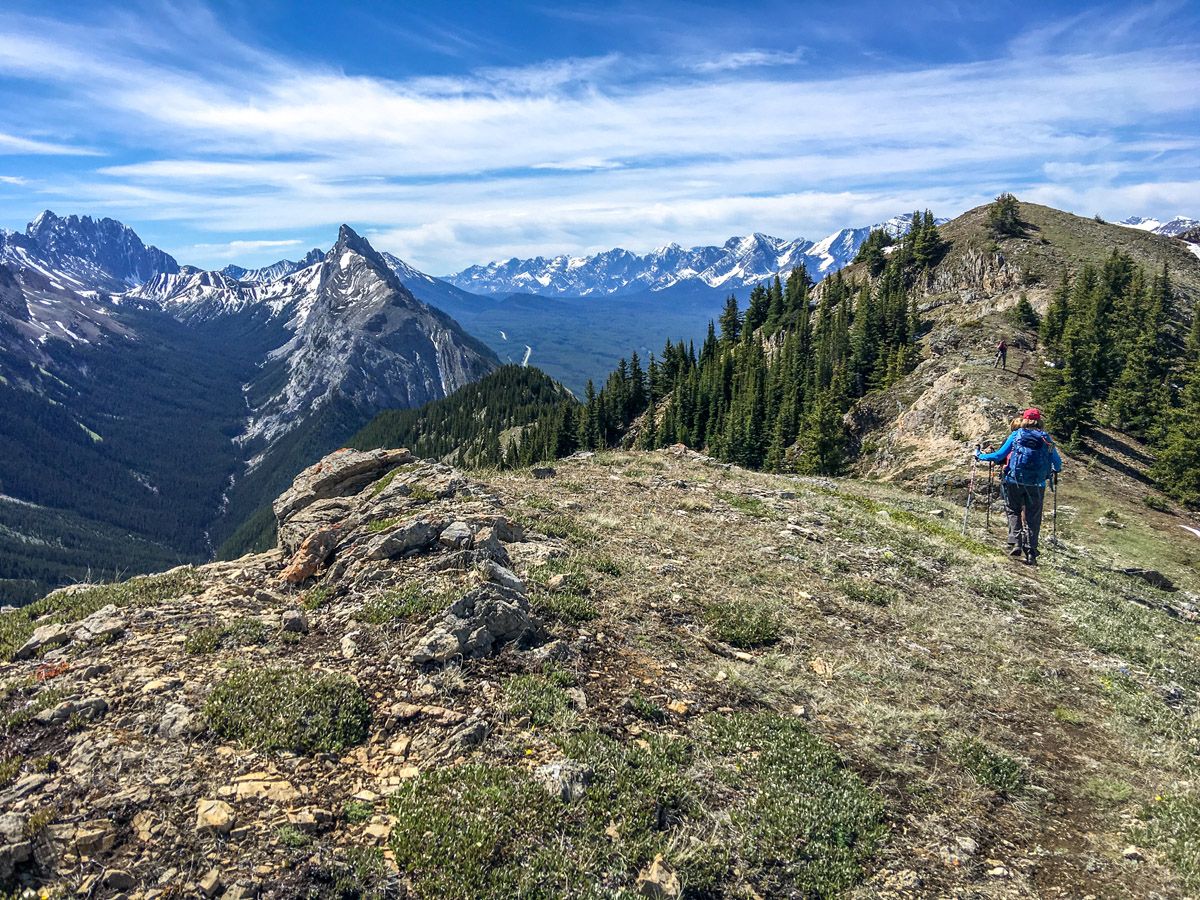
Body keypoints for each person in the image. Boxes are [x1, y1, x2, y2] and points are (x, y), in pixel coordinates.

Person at [976, 408, 1062, 565]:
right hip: (1037, 484)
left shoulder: (1016, 435)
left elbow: (998, 456)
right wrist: (1054, 470)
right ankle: (1031, 553)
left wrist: (980, 456)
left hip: (1013, 480)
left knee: (1013, 510)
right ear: (1039, 421)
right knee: (1033, 517)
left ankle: (1016, 541)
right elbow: (1057, 463)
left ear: (1024, 419)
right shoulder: (1046, 439)